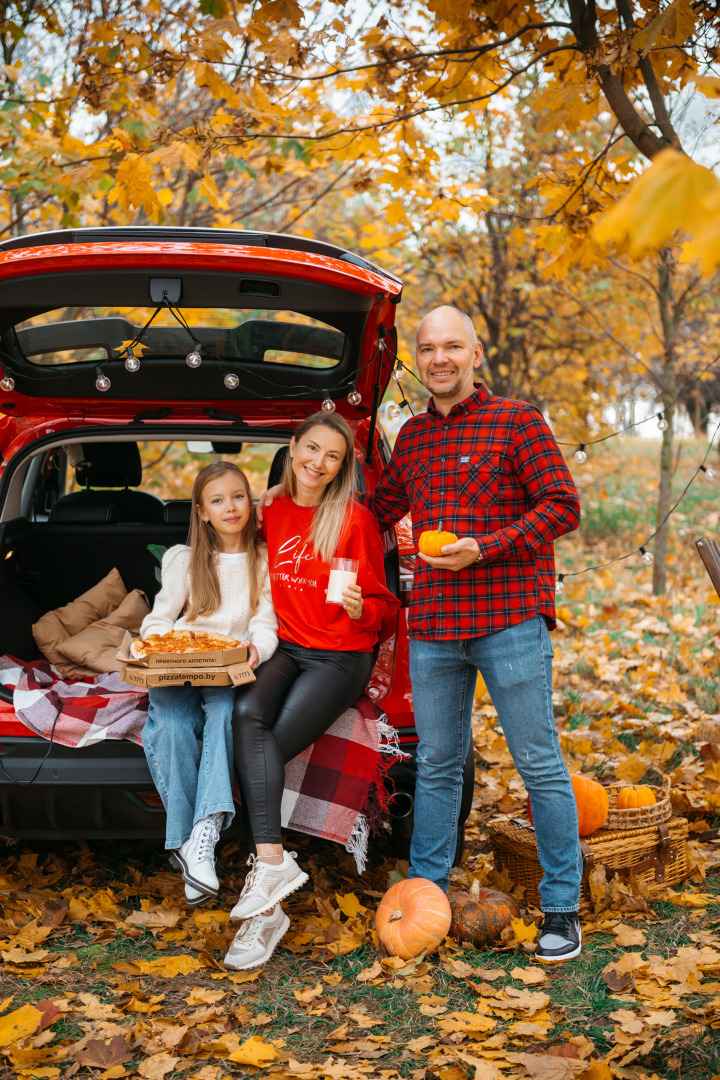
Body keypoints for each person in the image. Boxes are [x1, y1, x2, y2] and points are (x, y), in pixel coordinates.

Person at [260, 305, 584, 962]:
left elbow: (563, 506)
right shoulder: (410, 438)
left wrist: (485, 548)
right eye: (429, 349)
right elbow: (376, 511)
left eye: (452, 347)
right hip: (433, 624)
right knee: (438, 764)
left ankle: (561, 907)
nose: (439, 359)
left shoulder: (516, 421)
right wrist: (295, 508)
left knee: (539, 764)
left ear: (474, 353)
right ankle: (425, 895)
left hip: (508, 618)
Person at [224, 410, 400, 971]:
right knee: (245, 717)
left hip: (340, 656)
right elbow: (233, 565)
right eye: (311, 449)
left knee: (267, 749)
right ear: (293, 446)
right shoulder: (270, 509)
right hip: (288, 646)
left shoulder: (352, 519)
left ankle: (263, 907)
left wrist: (362, 605)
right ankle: (273, 870)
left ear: (342, 466)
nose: (318, 463)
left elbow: (386, 608)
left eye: (332, 457)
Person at [140, 462, 278, 907]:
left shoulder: (262, 558)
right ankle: (192, 841)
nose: (230, 507)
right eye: (217, 500)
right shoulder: (183, 559)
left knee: (224, 715)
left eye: (238, 496)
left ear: (251, 501)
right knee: (174, 726)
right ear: (201, 511)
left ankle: (203, 833)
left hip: (227, 666)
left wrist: (258, 649)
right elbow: (160, 617)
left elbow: (265, 622)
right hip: (179, 660)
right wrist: (157, 643)